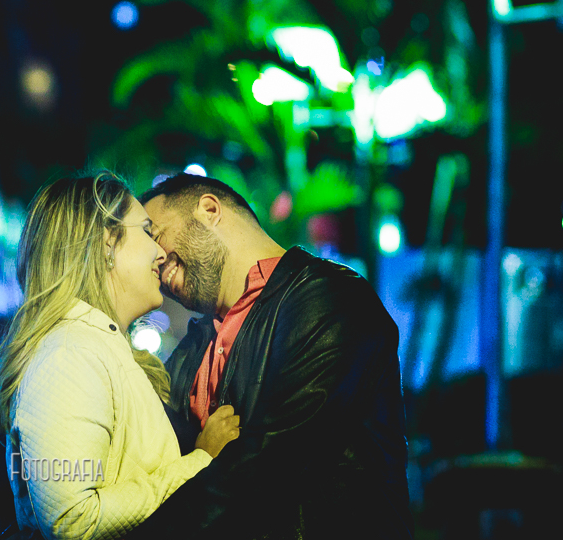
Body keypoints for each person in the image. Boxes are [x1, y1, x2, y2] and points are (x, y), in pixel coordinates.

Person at [137, 174, 411, 539]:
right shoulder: (195, 346)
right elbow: (147, 461)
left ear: (209, 209)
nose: (153, 259)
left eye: (154, 236)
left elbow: (266, 466)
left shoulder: (328, 299)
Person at [0, 172, 242, 539]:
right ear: (107, 244)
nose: (161, 251)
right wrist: (199, 462)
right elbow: (71, 519)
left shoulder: (93, 347)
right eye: (147, 232)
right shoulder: (70, 354)